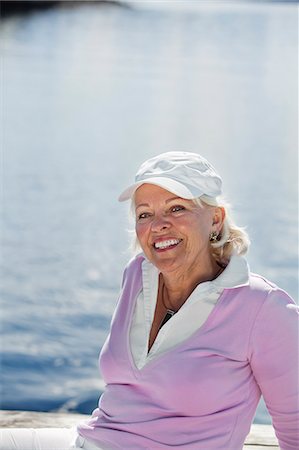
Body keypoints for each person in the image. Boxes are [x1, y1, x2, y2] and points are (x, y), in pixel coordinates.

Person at [1, 151, 298, 450]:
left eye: (177, 208)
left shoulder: (263, 307)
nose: (158, 225)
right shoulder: (137, 275)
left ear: (216, 219)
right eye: (145, 214)